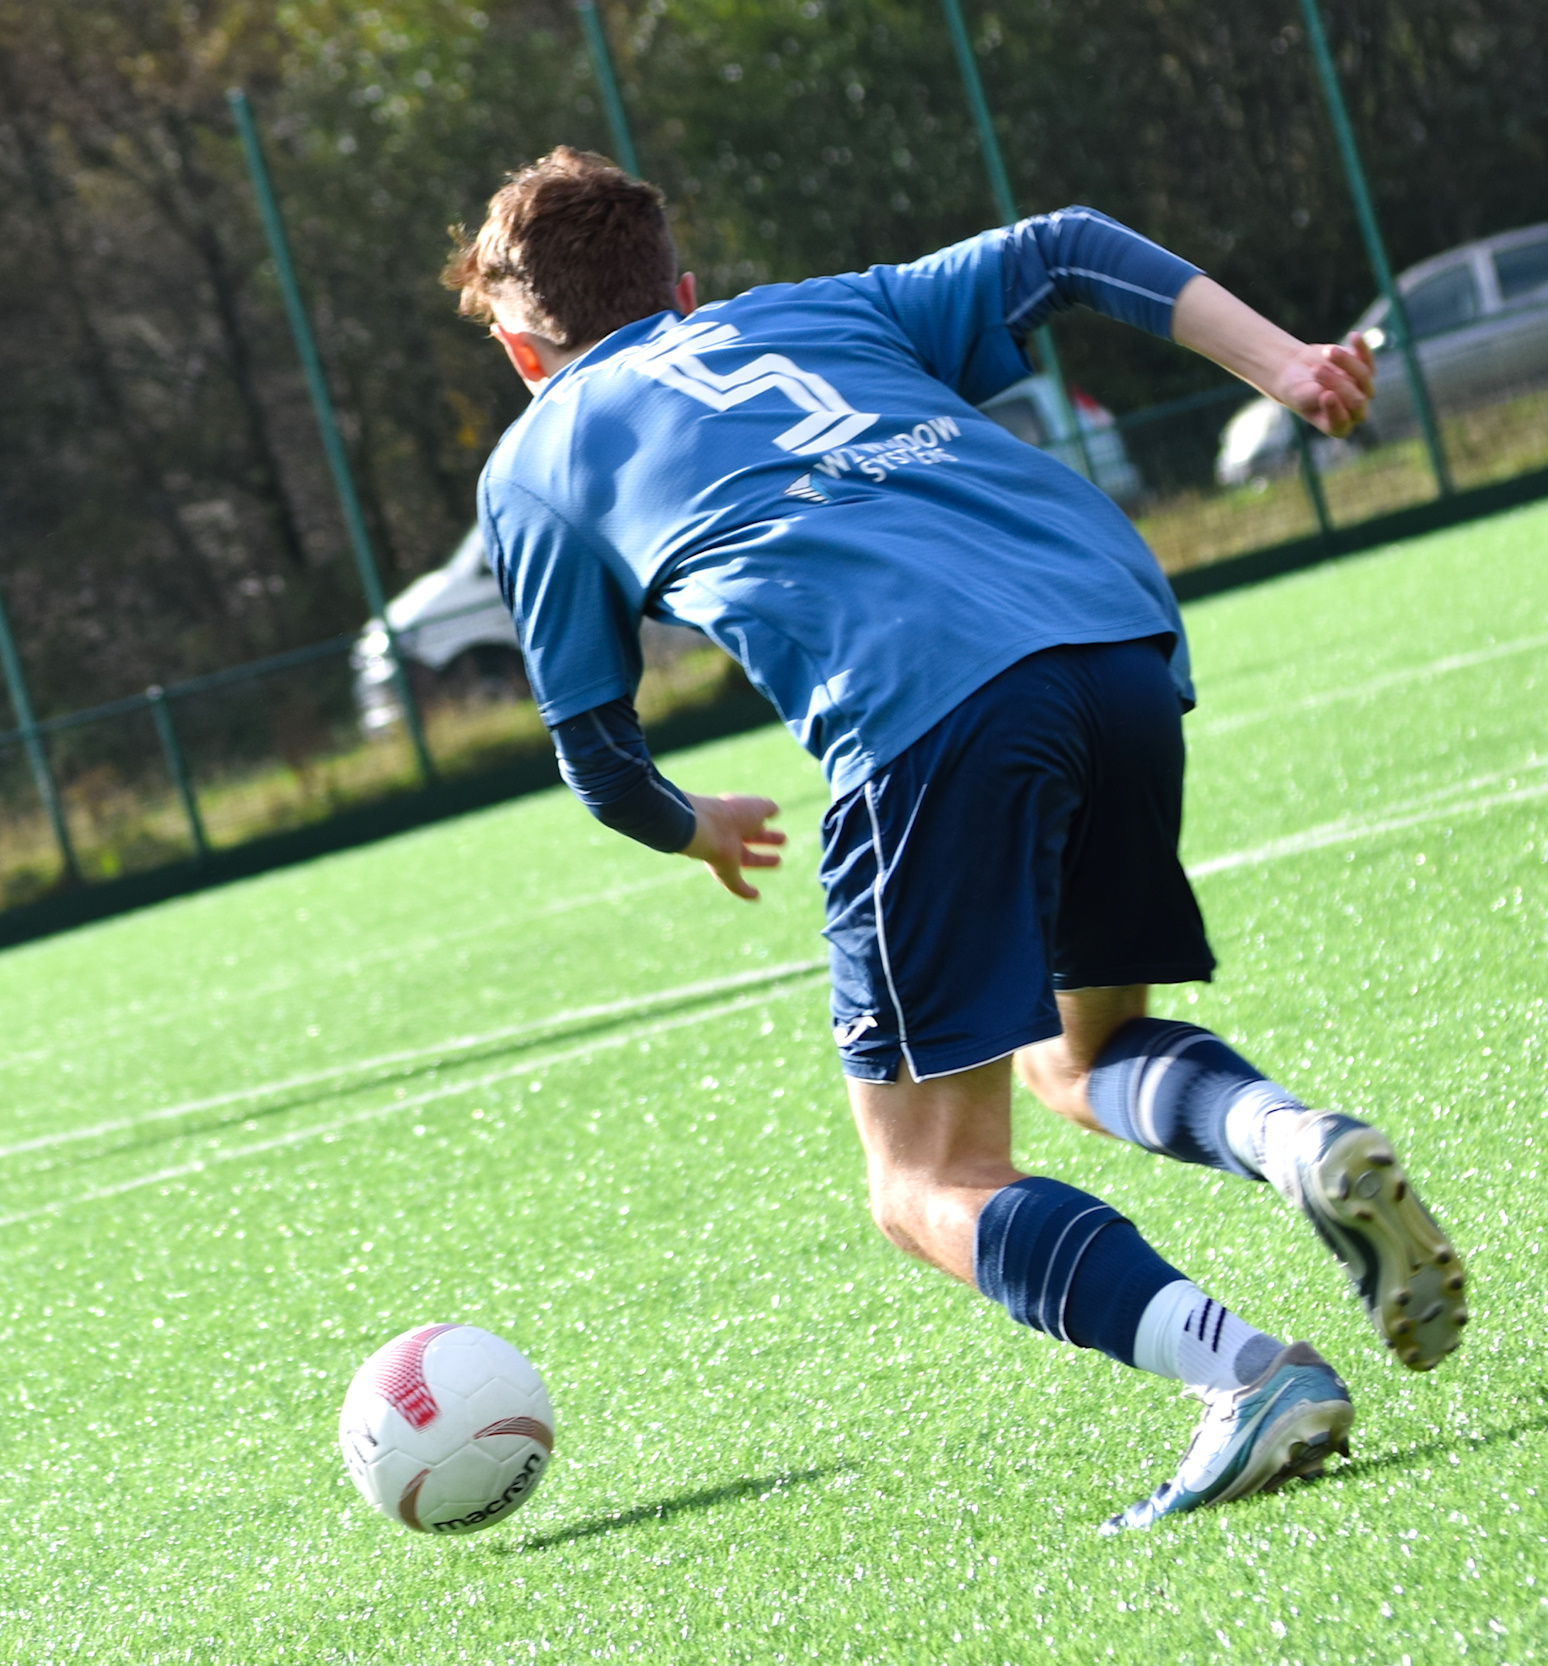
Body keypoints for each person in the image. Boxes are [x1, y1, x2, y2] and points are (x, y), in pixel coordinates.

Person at [446, 148, 1466, 1531]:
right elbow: (1065, 243)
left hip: (924, 711)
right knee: (1081, 1049)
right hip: (1113, 639)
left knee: (925, 1178)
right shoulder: (812, 312)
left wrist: (694, 828)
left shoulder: (537, 462)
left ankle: (1248, 1377)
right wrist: (1285, 365)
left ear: (521, 348)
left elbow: (598, 755)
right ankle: (1295, 1141)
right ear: (682, 288)